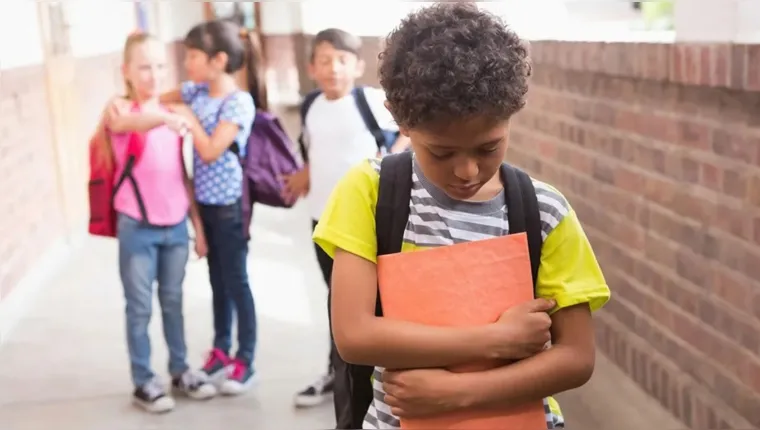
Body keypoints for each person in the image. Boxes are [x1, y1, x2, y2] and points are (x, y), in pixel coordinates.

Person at [313, 3, 611, 429]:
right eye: (442, 152)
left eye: (488, 147)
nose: (467, 171)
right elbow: (354, 335)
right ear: (404, 123)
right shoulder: (371, 192)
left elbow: (577, 358)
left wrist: (457, 394)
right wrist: (495, 340)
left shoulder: (544, 212)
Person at [109, 19, 260, 396]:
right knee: (216, 284)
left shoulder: (238, 101)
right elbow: (157, 100)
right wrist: (142, 103)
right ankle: (220, 351)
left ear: (217, 60)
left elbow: (208, 150)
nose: (183, 63)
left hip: (228, 207)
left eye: (192, 55)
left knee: (236, 282)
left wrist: (184, 118)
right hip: (201, 208)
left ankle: (245, 358)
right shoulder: (194, 91)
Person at [284, 29, 410, 411]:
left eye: (341, 59)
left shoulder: (369, 101)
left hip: (365, 225)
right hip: (322, 221)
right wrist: (305, 173)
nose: (333, 68)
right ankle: (339, 374)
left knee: (373, 303)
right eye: (324, 60)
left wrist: (387, 163)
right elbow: (314, 148)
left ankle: (381, 375)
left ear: (357, 65)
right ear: (312, 68)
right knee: (336, 302)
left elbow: (407, 131)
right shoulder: (311, 106)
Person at [100, 31, 216, 413]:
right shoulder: (119, 110)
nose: (153, 74)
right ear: (127, 71)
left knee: (172, 301)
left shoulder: (174, 116)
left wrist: (196, 228)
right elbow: (132, 125)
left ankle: (181, 370)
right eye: (144, 67)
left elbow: (182, 176)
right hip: (137, 226)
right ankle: (143, 381)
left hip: (174, 227)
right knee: (139, 308)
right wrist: (168, 116)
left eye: (160, 65)